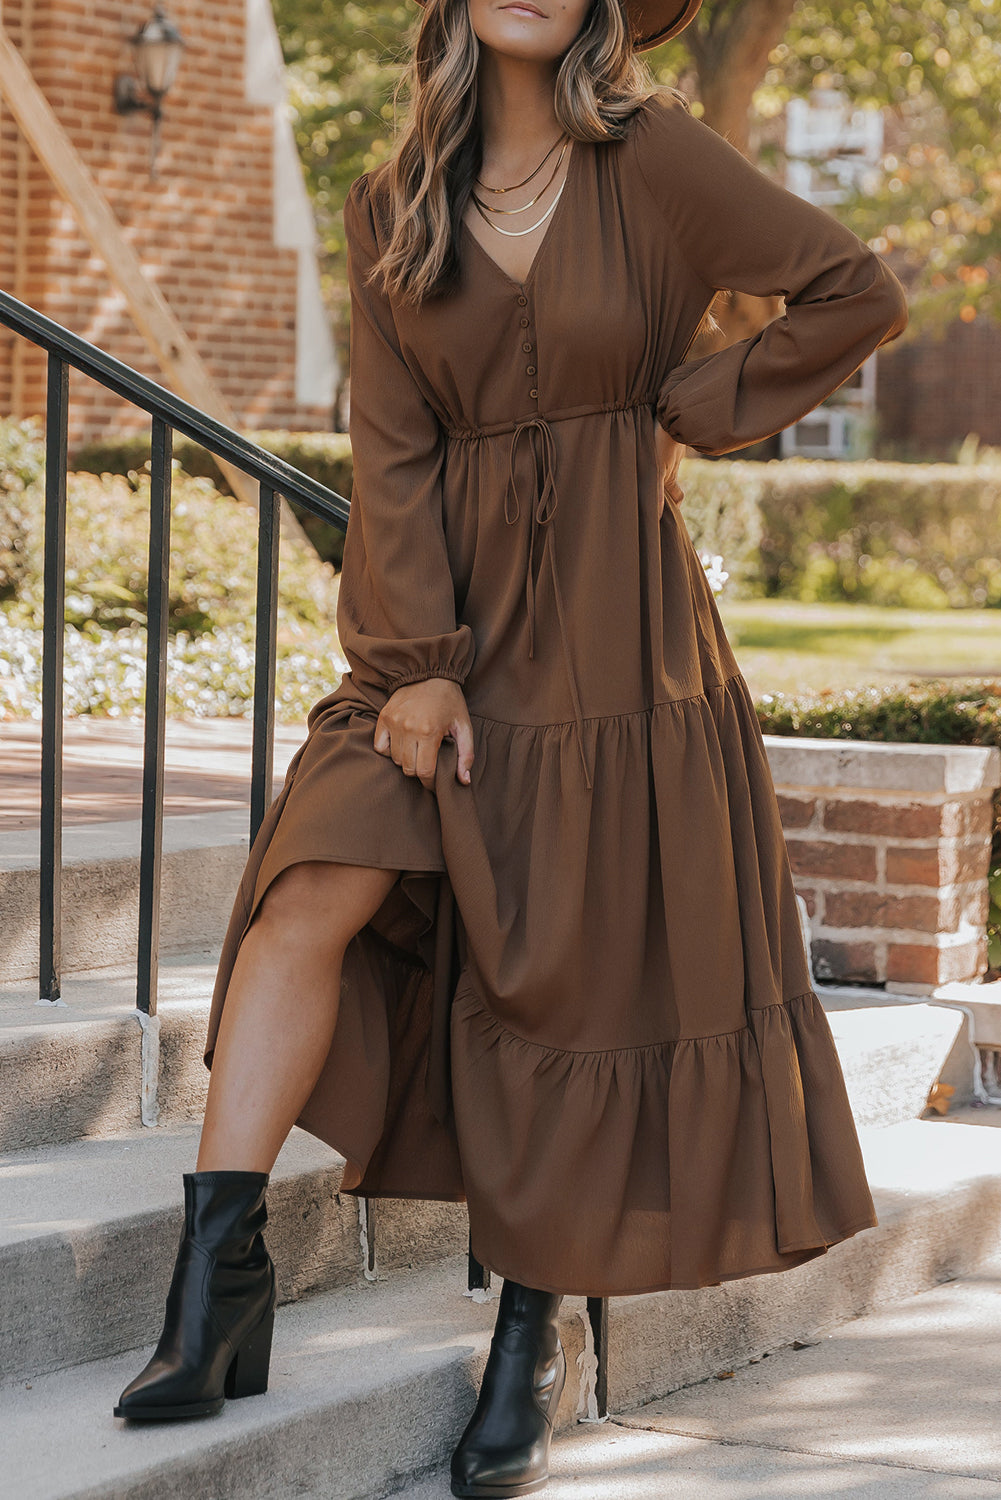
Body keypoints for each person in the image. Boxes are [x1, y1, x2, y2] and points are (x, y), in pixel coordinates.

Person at [113, 1, 909, 1494]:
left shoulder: (657, 162)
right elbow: (391, 440)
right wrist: (413, 664)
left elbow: (849, 293)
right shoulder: (398, 190)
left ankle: (531, 1333)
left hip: (614, 630)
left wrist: (685, 413)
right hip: (441, 619)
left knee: (571, 961)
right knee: (307, 893)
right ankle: (213, 1279)